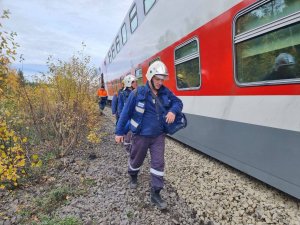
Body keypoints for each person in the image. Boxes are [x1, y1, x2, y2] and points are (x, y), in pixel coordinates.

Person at [115, 61, 183, 210]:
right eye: (157, 79)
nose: (160, 82)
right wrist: (119, 132)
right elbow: (125, 113)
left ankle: (156, 192)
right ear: (150, 77)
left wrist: (173, 111)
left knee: (158, 163)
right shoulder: (137, 93)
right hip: (141, 135)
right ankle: (133, 174)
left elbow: (178, 102)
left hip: (158, 136)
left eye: (162, 79)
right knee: (136, 159)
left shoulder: (165, 92)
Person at [117, 74, 137, 152]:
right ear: (129, 83)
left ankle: (133, 148)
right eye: (134, 82)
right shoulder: (122, 93)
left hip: (134, 116)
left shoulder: (135, 92)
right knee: (127, 132)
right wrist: (121, 118)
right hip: (127, 118)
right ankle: (129, 148)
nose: (136, 83)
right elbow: (121, 107)